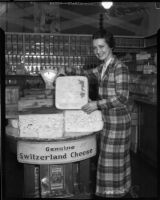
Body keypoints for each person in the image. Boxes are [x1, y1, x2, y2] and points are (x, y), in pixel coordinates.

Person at [59, 29, 132, 198]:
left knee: (111, 161)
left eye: (101, 46)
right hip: (109, 121)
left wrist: (96, 105)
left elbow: (122, 97)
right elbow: (85, 74)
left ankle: (114, 193)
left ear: (111, 46)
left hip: (119, 123)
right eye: (94, 48)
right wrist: (69, 70)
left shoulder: (119, 68)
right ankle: (116, 192)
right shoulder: (103, 67)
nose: (98, 51)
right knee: (112, 162)